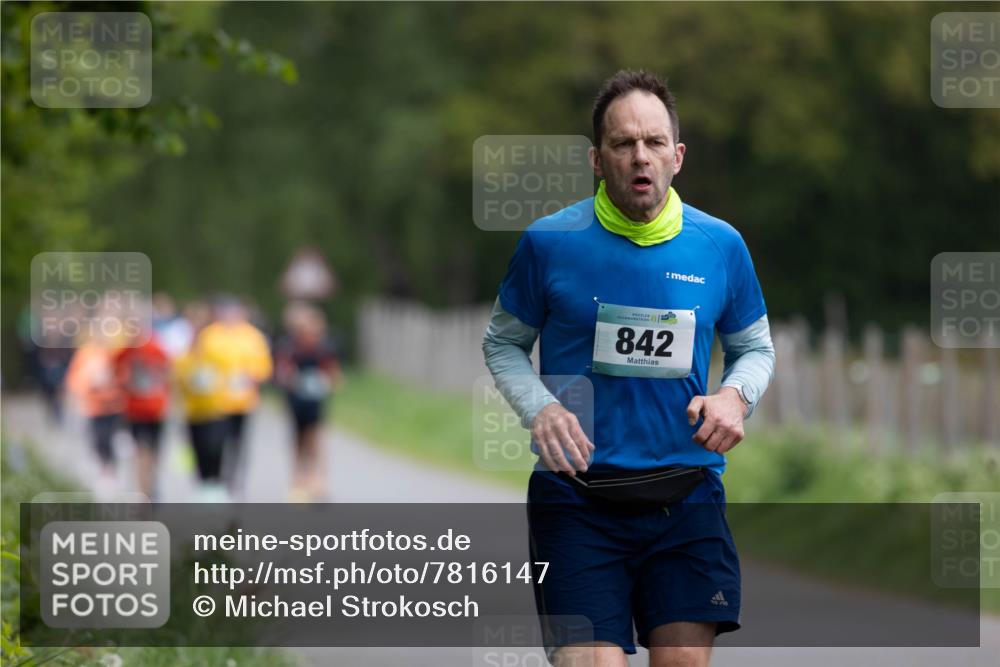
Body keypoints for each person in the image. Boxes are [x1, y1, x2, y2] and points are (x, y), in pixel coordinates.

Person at [483, 70, 775, 667]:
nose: (640, 156)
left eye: (654, 142)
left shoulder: (720, 245)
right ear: (597, 158)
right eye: (622, 144)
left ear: (678, 155)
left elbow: (756, 348)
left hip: (687, 499)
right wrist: (540, 408)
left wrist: (734, 397)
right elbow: (502, 344)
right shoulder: (549, 243)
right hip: (578, 501)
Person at [197, 296, 273, 496]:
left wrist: (252, 376)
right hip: (215, 401)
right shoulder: (210, 335)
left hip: (243, 401)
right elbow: (199, 364)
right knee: (215, 441)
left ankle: (234, 479)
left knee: (238, 442)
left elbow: (264, 366)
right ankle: (217, 477)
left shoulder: (253, 337)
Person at [275, 302, 342, 501]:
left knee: (315, 440)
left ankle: (317, 480)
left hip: (315, 400)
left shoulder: (324, 349)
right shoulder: (290, 348)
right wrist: (290, 379)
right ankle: (298, 480)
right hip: (296, 399)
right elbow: (281, 371)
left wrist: (326, 382)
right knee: (297, 440)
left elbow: (334, 374)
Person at [113, 329, 171, 501]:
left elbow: (167, 372)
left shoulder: (156, 347)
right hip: (135, 411)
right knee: (142, 451)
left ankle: (150, 484)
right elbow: (116, 372)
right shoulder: (125, 351)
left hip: (155, 409)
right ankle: (144, 491)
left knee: (153, 452)